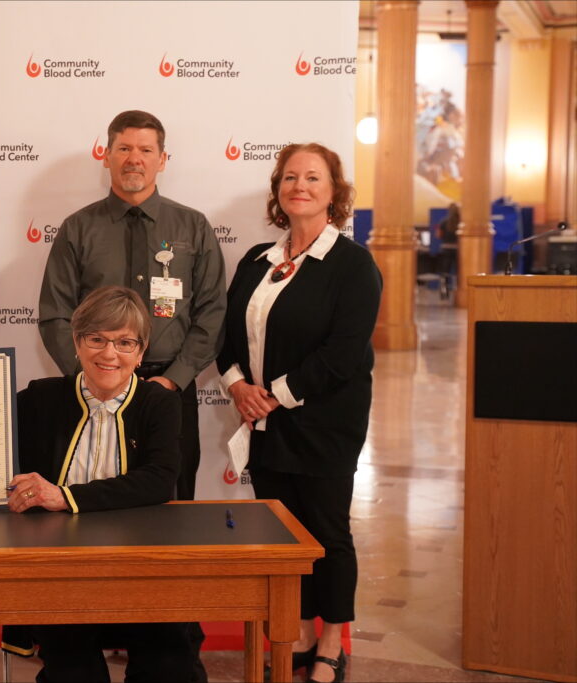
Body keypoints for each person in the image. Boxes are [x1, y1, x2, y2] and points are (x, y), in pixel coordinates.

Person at [216, 143, 382, 683]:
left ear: (334, 192)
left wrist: (274, 394)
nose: (299, 186)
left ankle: (332, 642)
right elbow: (226, 335)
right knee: (282, 535)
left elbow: (344, 353)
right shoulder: (257, 259)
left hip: (324, 422)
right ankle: (301, 635)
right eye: (290, 177)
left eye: (313, 177)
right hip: (264, 421)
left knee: (328, 534)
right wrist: (239, 386)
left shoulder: (353, 265)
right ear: (278, 191)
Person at [7, 285, 194, 683]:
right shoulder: (40, 398)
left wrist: (64, 497)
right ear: (76, 343)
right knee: (74, 676)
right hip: (63, 573)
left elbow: (159, 480)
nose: (109, 354)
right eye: (97, 339)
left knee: (171, 669)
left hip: (143, 571)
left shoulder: (159, 403)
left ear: (141, 352)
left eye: (125, 342)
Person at [39, 109, 226, 502]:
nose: (134, 158)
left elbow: (212, 313)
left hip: (170, 391)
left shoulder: (193, 227)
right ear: (106, 155)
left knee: (171, 504)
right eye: (123, 148)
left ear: (162, 159)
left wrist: (173, 379)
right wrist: (95, 376)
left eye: (145, 149)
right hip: (93, 393)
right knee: (87, 500)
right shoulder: (78, 229)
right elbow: (55, 313)